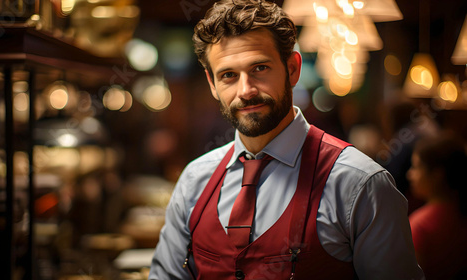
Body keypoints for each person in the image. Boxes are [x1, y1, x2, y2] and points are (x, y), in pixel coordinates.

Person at [149, 1, 424, 279]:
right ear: (212, 84)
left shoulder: (360, 184)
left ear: (292, 69)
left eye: (259, 68)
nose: (245, 90)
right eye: (229, 75)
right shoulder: (194, 181)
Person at [407, 133, 467, 279]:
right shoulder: (460, 211)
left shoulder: (420, 225)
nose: (410, 174)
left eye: (416, 167)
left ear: (437, 175)